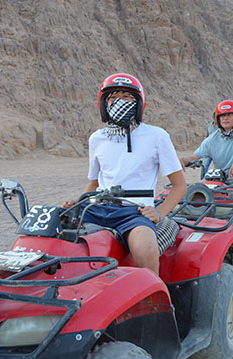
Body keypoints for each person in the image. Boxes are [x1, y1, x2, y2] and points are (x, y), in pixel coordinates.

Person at [62, 73, 187, 275]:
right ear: (104, 104)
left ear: (139, 103)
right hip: (98, 207)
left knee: (145, 251)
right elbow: (94, 184)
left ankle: (152, 303)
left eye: (127, 97)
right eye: (113, 97)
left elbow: (180, 186)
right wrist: (77, 203)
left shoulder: (157, 136)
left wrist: (158, 213)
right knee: (54, 228)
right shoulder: (97, 138)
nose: (119, 102)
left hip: (134, 212)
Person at [180, 100, 233, 191]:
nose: (225, 118)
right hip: (218, 179)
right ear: (218, 119)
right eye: (222, 115)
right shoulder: (212, 139)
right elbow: (193, 157)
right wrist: (181, 160)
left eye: (229, 115)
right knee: (197, 194)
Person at [201, 111, 217, 179]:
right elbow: (207, 136)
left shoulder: (222, 127)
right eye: (216, 117)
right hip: (208, 150)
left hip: (218, 150)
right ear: (213, 118)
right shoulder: (209, 125)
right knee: (204, 165)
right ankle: (202, 179)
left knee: (218, 167)